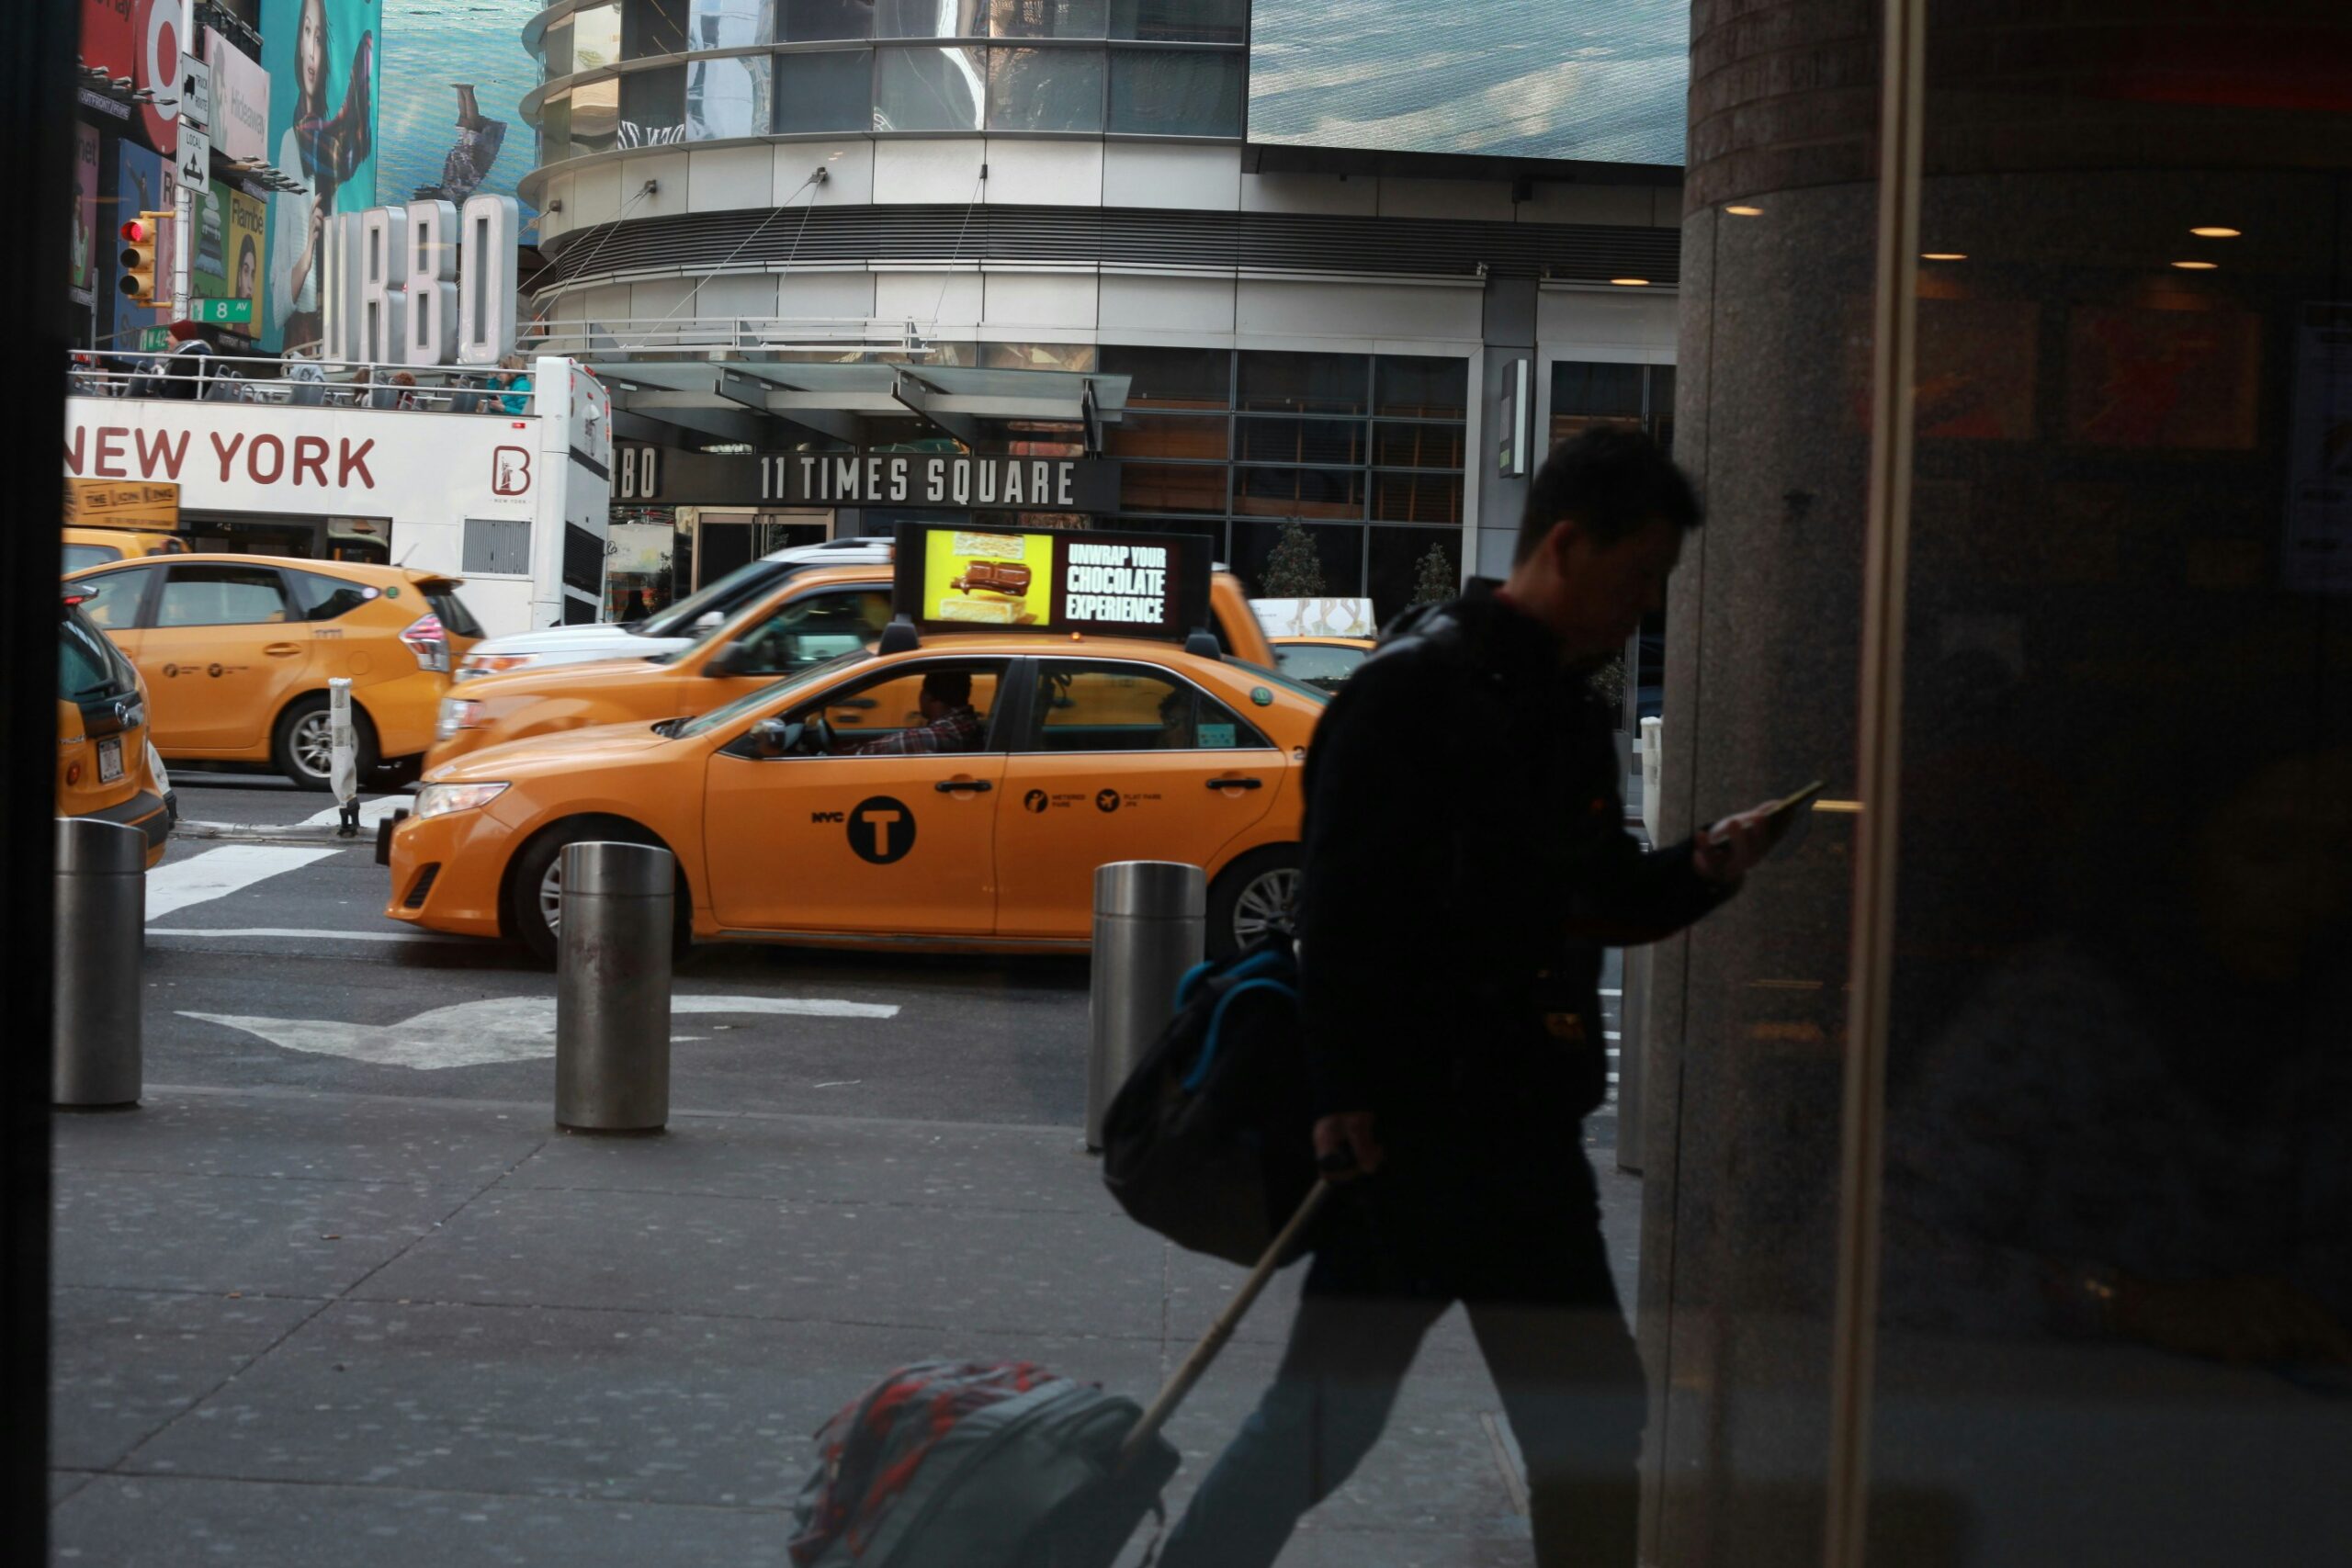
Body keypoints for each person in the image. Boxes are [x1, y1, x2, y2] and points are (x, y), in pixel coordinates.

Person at [1158, 428, 1779, 1568]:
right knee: (1328, 1420)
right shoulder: (1409, 694)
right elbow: (1336, 905)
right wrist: (1343, 1098)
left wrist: (1700, 868)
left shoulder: (1568, 717)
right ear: (1563, 543)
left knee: (1587, 1420)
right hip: (1410, 1142)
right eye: (1637, 574)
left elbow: (1594, 897)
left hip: (1525, 1139)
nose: (1645, 606)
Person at [268, 0, 373, 353]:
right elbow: (279, 298)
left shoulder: (334, 145)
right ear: (298, 42)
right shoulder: (292, 142)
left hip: (335, 330)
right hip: (302, 336)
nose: (312, 52)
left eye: (318, 38)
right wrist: (309, 253)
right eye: (306, 34)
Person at [854, 671, 983, 756]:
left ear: (928, 695)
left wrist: (856, 752)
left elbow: (909, 741)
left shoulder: (951, 733)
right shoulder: (966, 724)